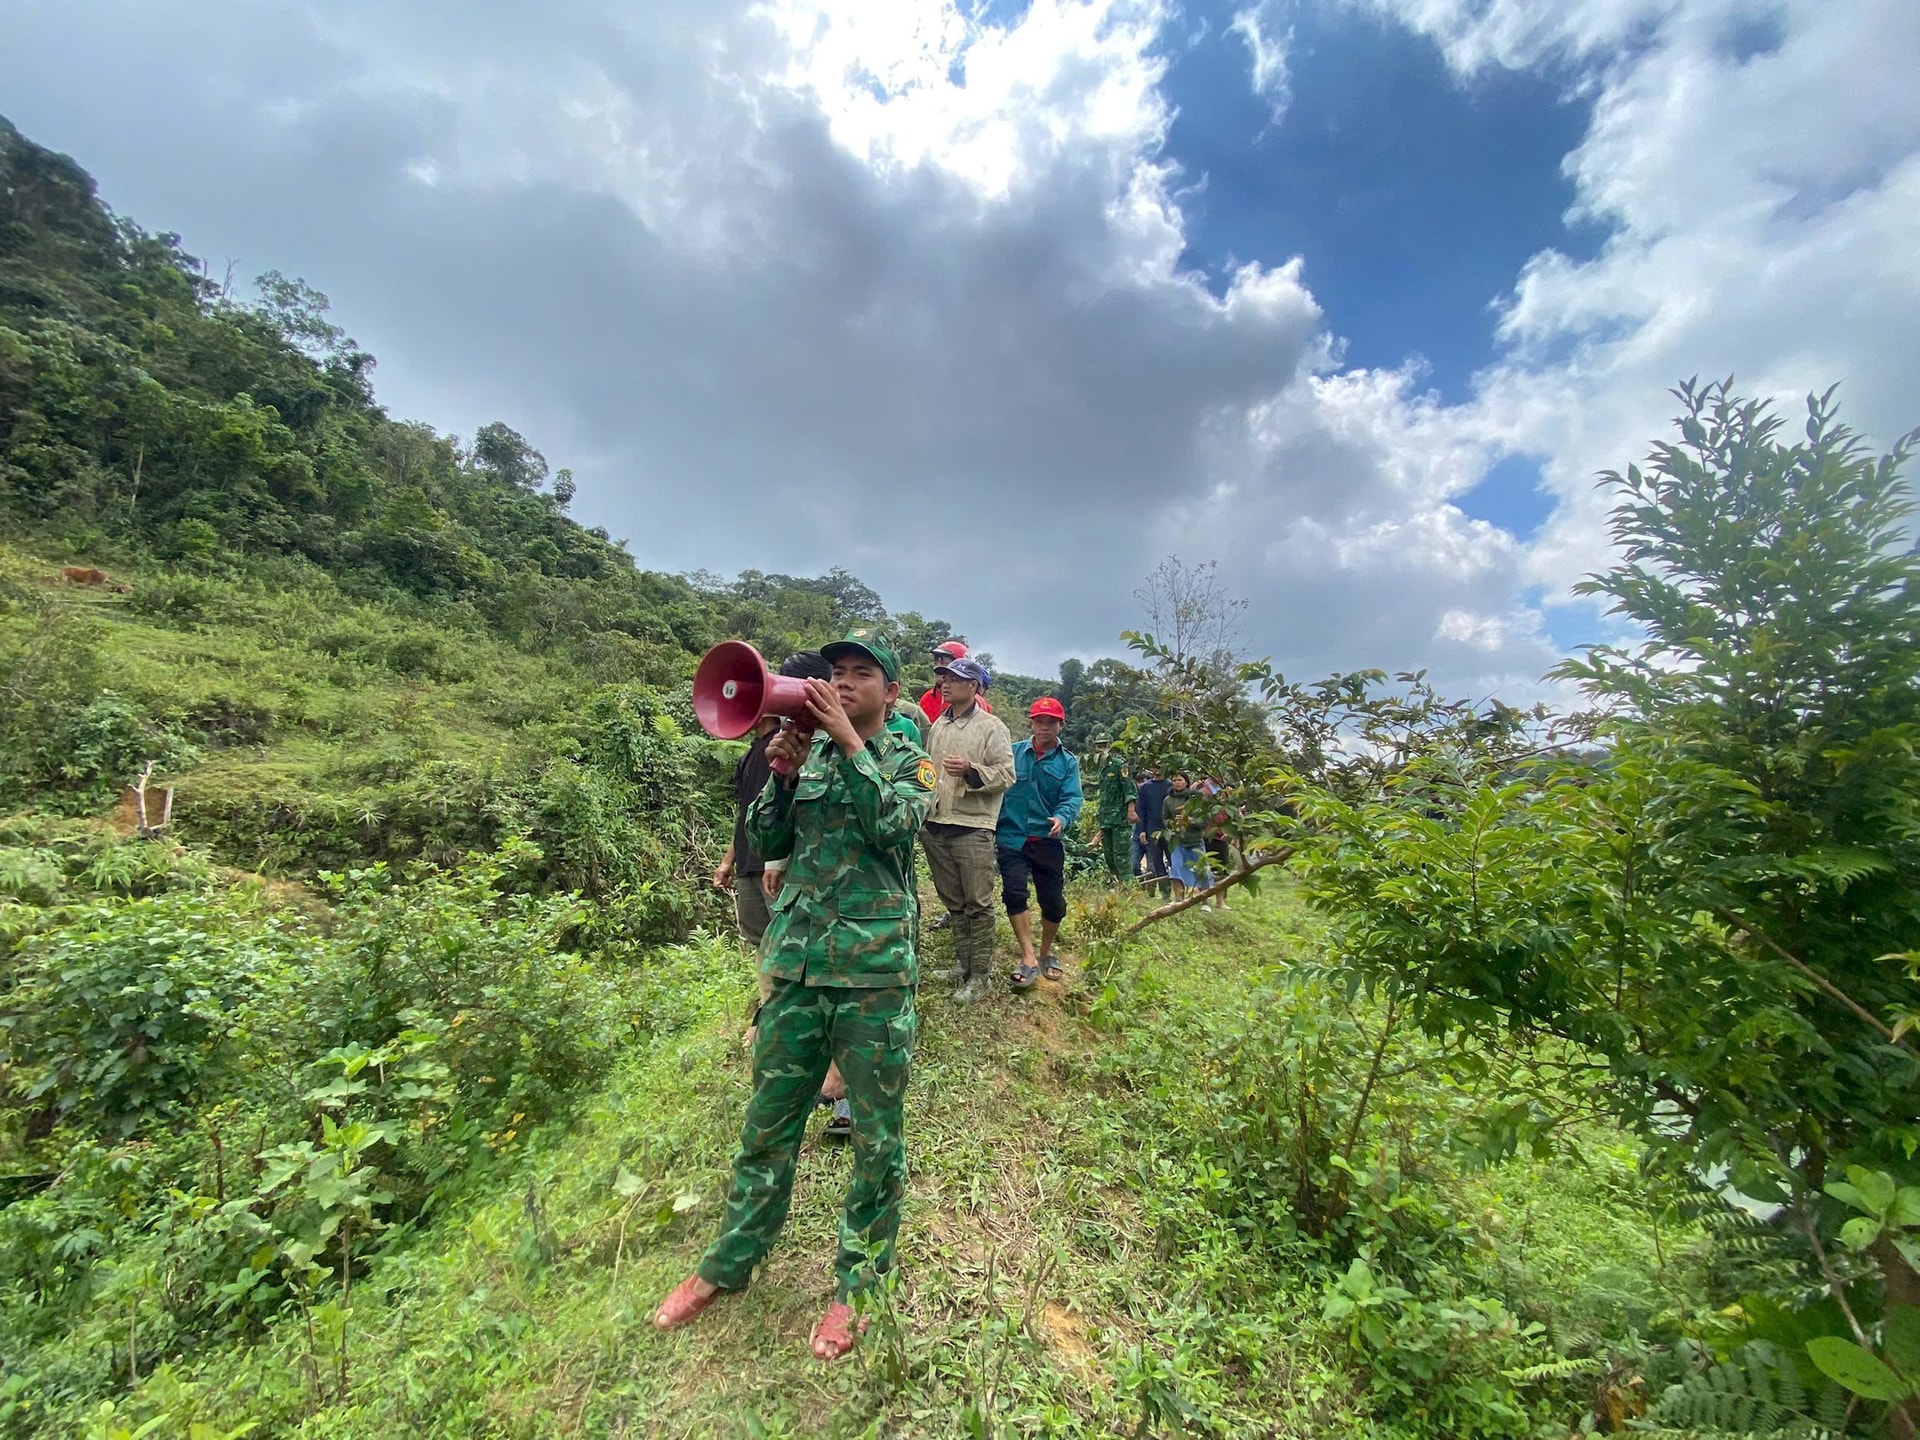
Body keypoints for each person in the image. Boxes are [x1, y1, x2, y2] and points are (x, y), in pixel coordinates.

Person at [654, 627, 933, 1361]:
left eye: (860, 674)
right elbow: (768, 838)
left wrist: (849, 743)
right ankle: (728, 1264)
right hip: (799, 965)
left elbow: (895, 827)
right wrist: (780, 773)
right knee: (768, 1125)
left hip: (875, 972)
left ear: (891, 692)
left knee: (875, 1138)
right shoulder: (805, 749)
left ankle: (859, 1286)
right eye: (834, 671)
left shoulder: (911, 759)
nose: (842, 682)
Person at [920, 656, 1015, 1003]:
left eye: (953, 678)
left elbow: (1007, 775)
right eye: (942, 677)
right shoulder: (939, 726)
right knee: (954, 902)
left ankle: (980, 977)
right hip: (936, 824)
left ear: (973, 687)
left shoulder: (992, 727)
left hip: (972, 825)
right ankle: (963, 965)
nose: (944, 683)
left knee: (978, 903)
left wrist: (972, 769)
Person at [996, 697, 1083, 990]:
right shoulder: (1012, 753)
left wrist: (1062, 817)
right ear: (1031, 722)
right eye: (1039, 721)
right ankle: (1028, 955)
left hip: (1047, 839)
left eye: (1051, 722)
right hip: (1012, 836)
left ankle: (1046, 951)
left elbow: (1072, 797)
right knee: (1014, 894)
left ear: (1061, 725)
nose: (1044, 727)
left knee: (1054, 903)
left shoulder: (1067, 762)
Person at [917, 639, 993, 725]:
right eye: (936, 662)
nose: (937, 667)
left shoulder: (976, 703)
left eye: (943, 662)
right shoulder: (928, 698)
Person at [1091, 736, 1134, 884]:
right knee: (1108, 855)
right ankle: (1119, 885)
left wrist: (1131, 810)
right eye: (1098, 746)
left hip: (1120, 818)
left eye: (1104, 745)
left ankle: (1129, 888)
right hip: (1106, 819)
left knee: (1121, 855)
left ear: (1110, 745)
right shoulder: (1101, 766)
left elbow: (1130, 789)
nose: (1101, 748)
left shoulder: (1120, 764)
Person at [1165, 774, 1213, 902]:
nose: (1177, 782)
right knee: (1176, 868)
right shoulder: (1168, 800)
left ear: (1186, 782)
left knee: (1202, 869)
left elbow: (1204, 819)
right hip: (1177, 841)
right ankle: (1178, 899)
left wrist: (1190, 821)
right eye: (1174, 780)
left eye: (1180, 780)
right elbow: (1164, 819)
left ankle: (1205, 900)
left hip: (1195, 840)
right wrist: (1172, 823)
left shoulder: (1197, 799)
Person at [1134, 768, 1173, 897]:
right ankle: (1164, 893)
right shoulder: (1145, 788)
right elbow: (1141, 810)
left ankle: (1179, 892)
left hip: (1170, 830)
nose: (1158, 769)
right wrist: (1142, 830)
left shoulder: (1170, 785)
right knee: (1157, 862)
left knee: (1174, 860)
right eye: (1155, 766)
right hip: (1152, 830)